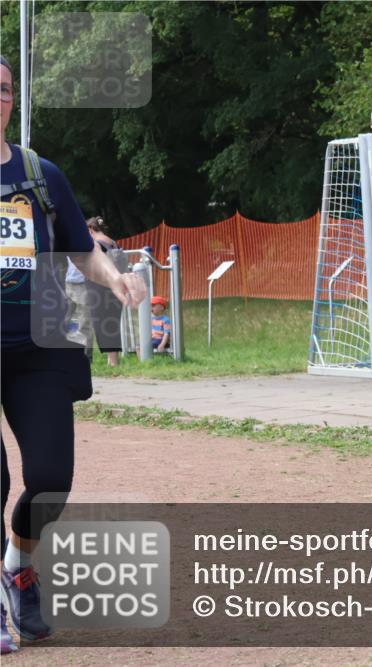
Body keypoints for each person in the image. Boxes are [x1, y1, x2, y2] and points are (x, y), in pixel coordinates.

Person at [0, 54, 145, 655]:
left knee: (51, 481)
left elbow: (82, 249)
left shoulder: (41, 175)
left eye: (4, 89)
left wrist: (115, 279)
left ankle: (16, 568)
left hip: (40, 343)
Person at [85, 217, 126, 367]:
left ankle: (113, 361)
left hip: (99, 287)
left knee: (103, 323)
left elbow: (97, 265)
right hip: (116, 286)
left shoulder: (95, 244)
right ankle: (112, 360)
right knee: (112, 322)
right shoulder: (113, 242)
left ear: (90, 229)